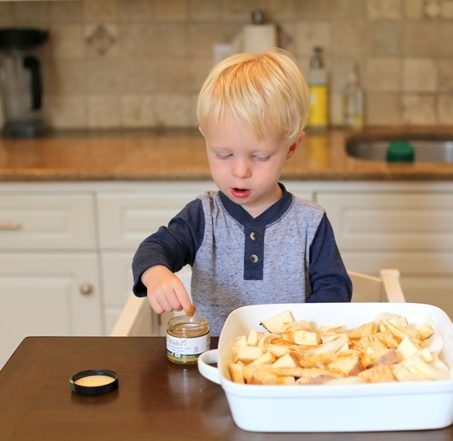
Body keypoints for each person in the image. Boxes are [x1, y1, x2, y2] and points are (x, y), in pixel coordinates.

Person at [132, 49, 352, 334]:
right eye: (223, 155)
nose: (240, 171)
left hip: (288, 365)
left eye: (259, 157)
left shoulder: (311, 223)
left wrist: (310, 331)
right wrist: (156, 274)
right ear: (206, 139)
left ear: (292, 147)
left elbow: (334, 288)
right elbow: (153, 249)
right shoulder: (203, 216)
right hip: (212, 362)